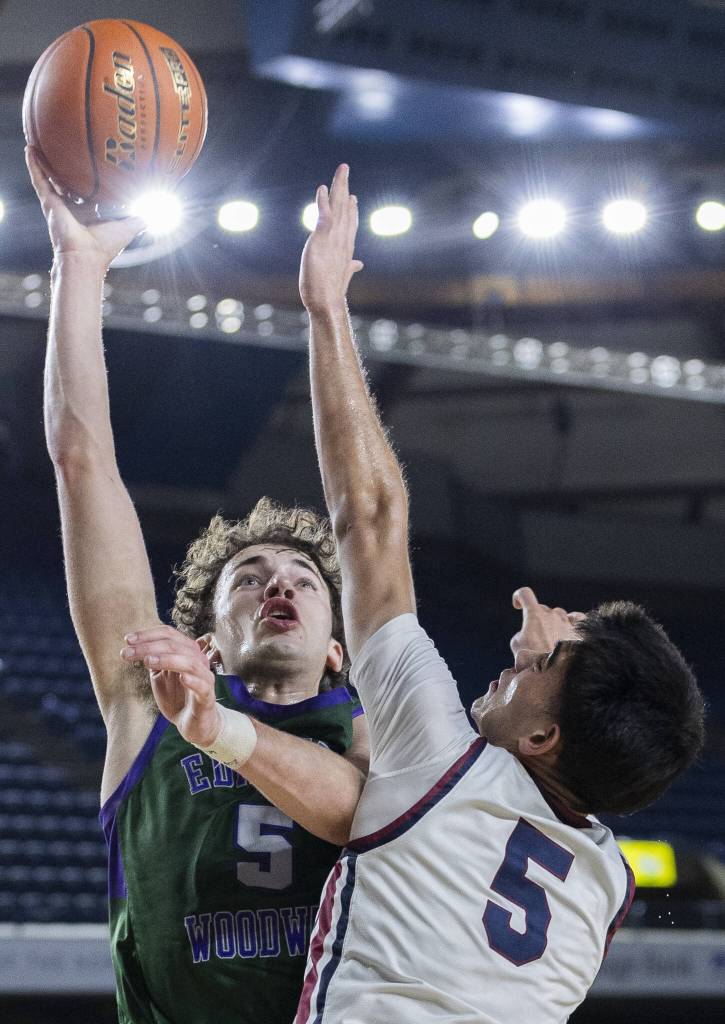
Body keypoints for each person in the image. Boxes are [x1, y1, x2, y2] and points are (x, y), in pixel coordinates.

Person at [117, 165, 705, 1023]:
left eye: (538, 665)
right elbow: (366, 804)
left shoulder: (442, 755)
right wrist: (226, 730)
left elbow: (370, 518)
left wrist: (325, 308)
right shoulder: (605, 880)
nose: (512, 656)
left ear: (543, 735)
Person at [27, 147, 370, 1024]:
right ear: (210, 644)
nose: (277, 585)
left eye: (301, 577)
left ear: (338, 649)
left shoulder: (380, 738)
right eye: (249, 579)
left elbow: (373, 517)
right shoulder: (149, 707)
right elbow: (83, 463)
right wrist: (80, 264)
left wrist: (329, 310)